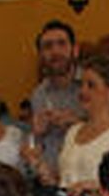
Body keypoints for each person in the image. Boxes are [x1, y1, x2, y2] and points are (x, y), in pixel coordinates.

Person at [37, 53, 109, 196]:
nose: (83, 91)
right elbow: (64, 181)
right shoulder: (73, 132)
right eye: (82, 85)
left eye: (91, 85)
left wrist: (94, 187)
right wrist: (43, 170)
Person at [28, 19, 84, 178]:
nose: (55, 51)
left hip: (85, 178)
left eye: (62, 44)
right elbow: (35, 147)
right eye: (48, 46)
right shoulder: (38, 95)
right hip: (49, 180)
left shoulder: (92, 85)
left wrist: (77, 124)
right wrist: (36, 133)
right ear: (41, 55)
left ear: (75, 50)